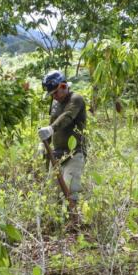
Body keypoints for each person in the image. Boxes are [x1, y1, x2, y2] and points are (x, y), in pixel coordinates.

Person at [37, 70, 87, 205]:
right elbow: (52, 122)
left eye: (55, 93)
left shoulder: (76, 99)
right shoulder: (55, 103)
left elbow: (67, 116)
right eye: (51, 95)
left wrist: (51, 129)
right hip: (57, 155)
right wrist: (44, 142)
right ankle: (57, 225)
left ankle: (74, 223)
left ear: (64, 86)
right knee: (52, 195)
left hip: (75, 153)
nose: (54, 97)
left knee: (70, 191)